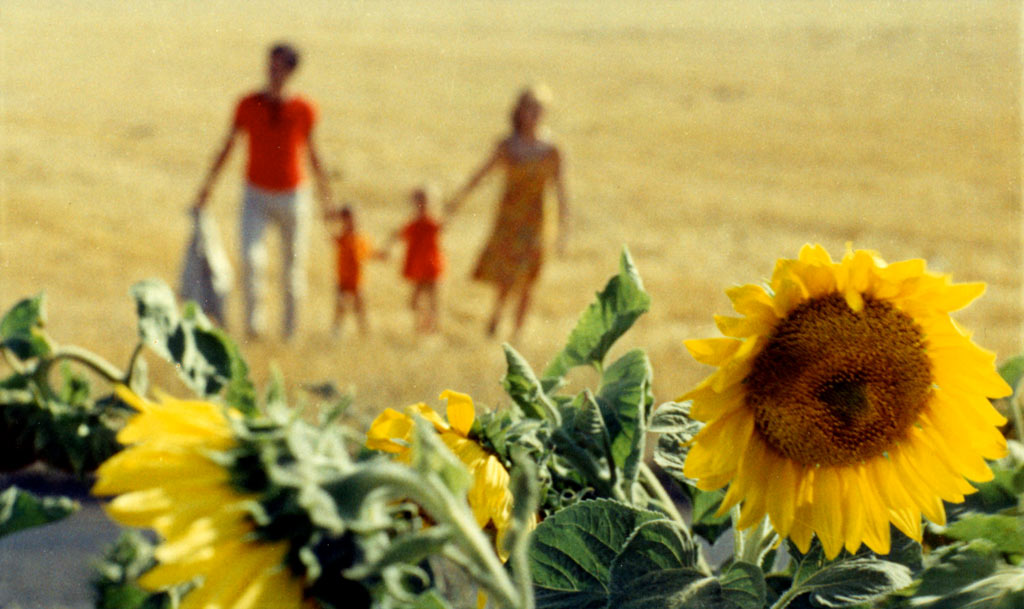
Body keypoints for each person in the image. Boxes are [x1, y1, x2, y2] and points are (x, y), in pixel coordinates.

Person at [192, 42, 334, 340]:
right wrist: (208, 187)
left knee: (293, 271)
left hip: (294, 195)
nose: (271, 71)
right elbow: (228, 146)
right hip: (255, 193)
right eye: (269, 64)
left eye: (278, 66)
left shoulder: (304, 108)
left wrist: (326, 199)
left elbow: (314, 154)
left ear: (291, 71)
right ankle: (254, 330)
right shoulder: (248, 104)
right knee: (251, 261)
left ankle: (289, 334)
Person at [444, 86, 570, 339]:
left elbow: (561, 190)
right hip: (510, 217)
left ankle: (517, 333)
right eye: (529, 108)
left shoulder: (552, 149)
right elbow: (481, 175)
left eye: (539, 109)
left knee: (529, 278)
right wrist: (456, 202)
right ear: (520, 111)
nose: (534, 114)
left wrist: (564, 228)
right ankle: (496, 317)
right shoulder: (508, 146)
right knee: (507, 275)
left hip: (537, 218)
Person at [380, 185, 445, 333]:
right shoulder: (412, 224)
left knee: (434, 300)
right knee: (416, 301)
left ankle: (433, 328)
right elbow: (396, 235)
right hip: (418, 267)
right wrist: (387, 249)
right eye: (419, 203)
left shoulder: (433, 223)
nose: (422, 207)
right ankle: (421, 326)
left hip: (433, 267)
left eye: (426, 203)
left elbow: (444, 226)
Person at [328, 205, 373, 336]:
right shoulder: (342, 237)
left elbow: (369, 253)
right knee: (340, 306)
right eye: (346, 220)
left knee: (360, 308)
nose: (350, 223)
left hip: (357, 280)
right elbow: (330, 235)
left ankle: (364, 332)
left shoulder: (361, 238)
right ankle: (336, 331)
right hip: (342, 279)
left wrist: (381, 255)